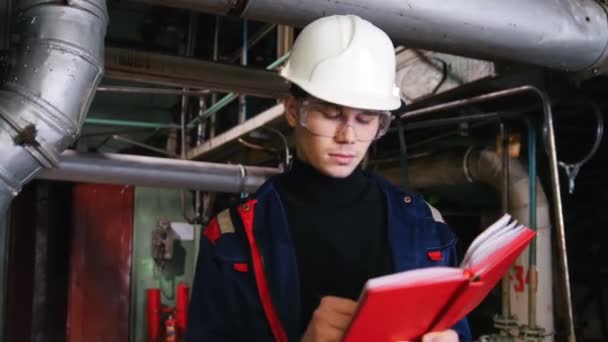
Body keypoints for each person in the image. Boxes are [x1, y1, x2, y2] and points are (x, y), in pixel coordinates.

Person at [186, 14, 471, 342]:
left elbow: (456, 328)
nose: (348, 136)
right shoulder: (231, 237)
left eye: (365, 119)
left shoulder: (426, 226)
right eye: (331, 114)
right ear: (293, 111)